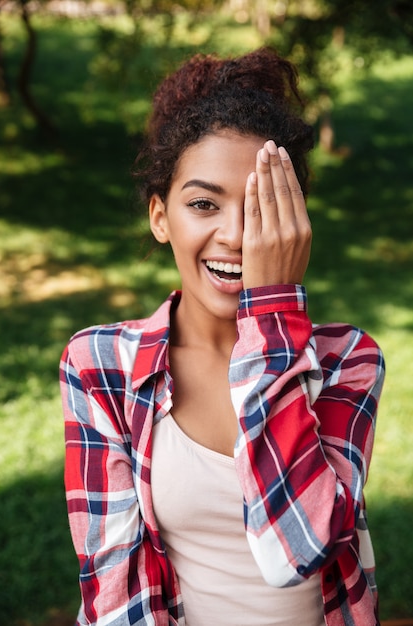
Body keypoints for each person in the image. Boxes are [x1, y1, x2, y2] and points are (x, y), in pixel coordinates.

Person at [60, 47, 385, 626]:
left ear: (295, 221)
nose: (235, 235)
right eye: (203, 203)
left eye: (261, 206)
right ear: (161, 217)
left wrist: (272, 315)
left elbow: (300, 549)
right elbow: (115, 592)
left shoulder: (346, 362)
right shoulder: (99, 367)